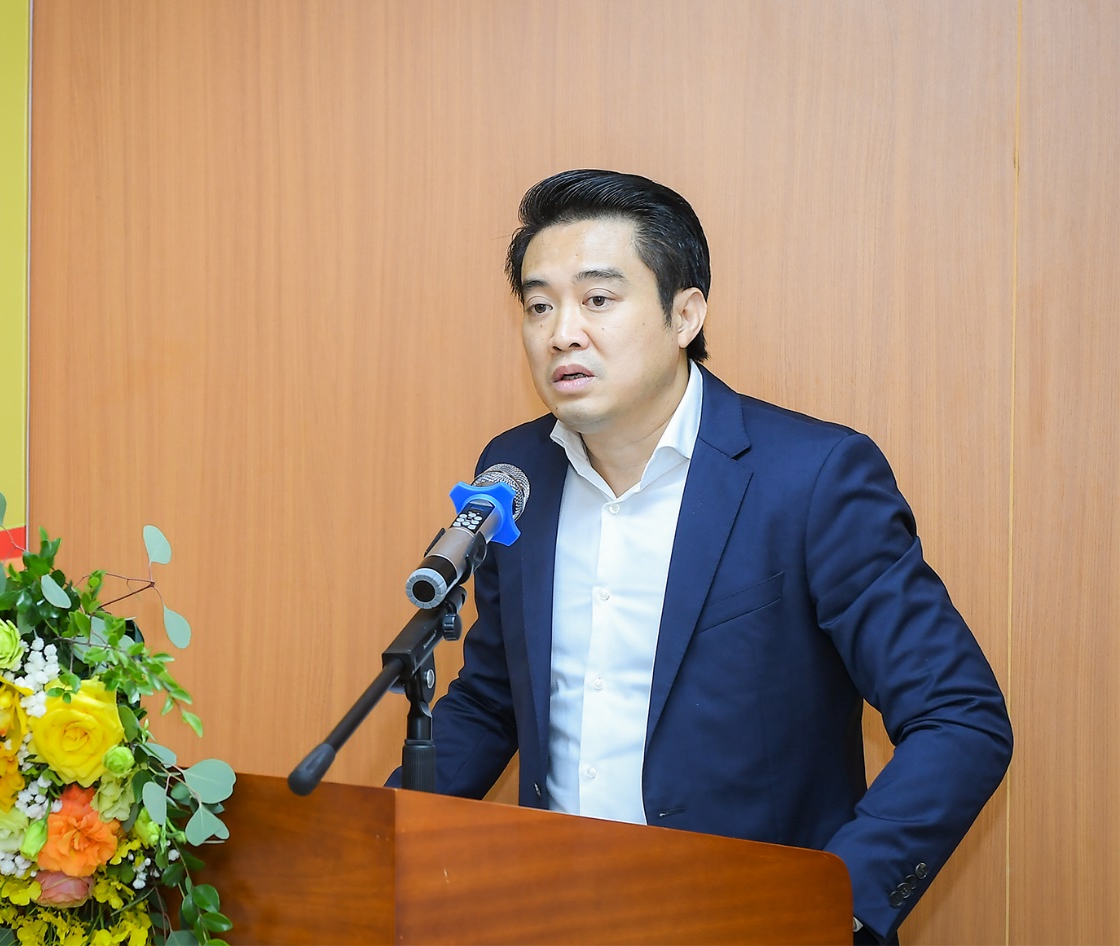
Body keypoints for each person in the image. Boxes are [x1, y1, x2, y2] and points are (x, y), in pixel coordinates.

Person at [396, 169, 1012, 944]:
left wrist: (831, 907)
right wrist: (377, 852)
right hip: (553, 916)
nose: (561, 334)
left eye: (598, 299)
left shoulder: (810, 479)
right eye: (539, 305)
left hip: (748, 923)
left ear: (685, 314)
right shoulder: (516, 475)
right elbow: (494, 701)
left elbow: (959, 717)